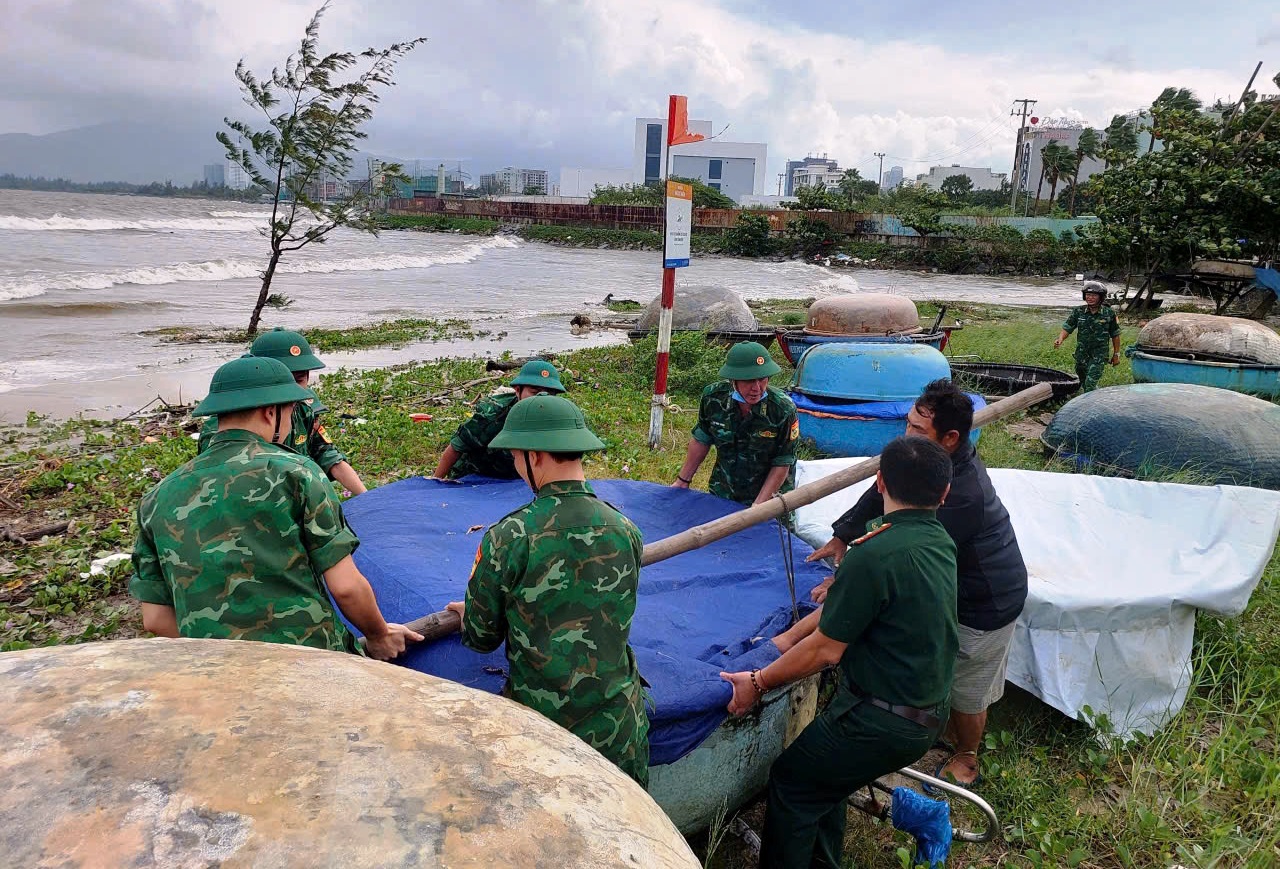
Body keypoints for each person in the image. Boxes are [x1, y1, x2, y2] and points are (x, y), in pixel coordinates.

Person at [720, 436, 958, 869]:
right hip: (930, 708)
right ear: (944, 493)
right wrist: (790, 637)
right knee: (824, 781)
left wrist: (757, 681)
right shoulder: (940, 541)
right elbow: (841, 612)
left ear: (880, 482)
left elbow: (826, 651)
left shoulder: (875, 554)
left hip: (881, 720)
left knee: (793, 781)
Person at [792, 379, 1028, 789]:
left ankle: (967, 755)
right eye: (908, 424)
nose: (907, 436)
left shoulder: (962, 495)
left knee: (966, 686)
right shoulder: (919, 465)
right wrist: (843, 536)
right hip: (949, 583)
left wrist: (854, 578)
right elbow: (883, 488)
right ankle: (925, 726)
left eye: (918, 431)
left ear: (951, 439)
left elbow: (907, 553)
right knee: (930, 661)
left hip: (986, 599)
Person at [130, 355, 420, 661]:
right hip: (312, 660)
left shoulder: (156, 497)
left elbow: (155, 619)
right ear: (271, 412)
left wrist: (230, 650)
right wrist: (378, 635)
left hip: (216, 668)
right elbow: (346, 587)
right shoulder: (297, 473)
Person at [445, 395, 650, 785]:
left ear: (533, 456)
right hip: (619, 729)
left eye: (515, 457)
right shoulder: (625, 529)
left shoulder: (510, 536)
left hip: (545, 731)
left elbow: (481, 638)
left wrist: (470, 611)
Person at [198, 327, 367, 495]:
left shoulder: (304, 411)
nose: (291, 392)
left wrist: (366, 497)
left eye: (299, 380)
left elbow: (327, 455)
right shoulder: (224, 426)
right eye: (285, 381)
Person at [672, 341, 798, 505]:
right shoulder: (714, 398)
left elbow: (782, 462)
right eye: (749, 381)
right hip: (724, 493)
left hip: (771, 502)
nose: (757, 388)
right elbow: (701, 439)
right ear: (734, 380)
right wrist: (683, 480)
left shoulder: (782, 409)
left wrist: (758, 508)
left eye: (762, 380)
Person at [432, 360, 566, 480]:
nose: (541, 398)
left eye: (549, 394)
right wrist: (436, 483)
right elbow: (456, 447)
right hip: (476, 477)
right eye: (534, 392)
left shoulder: (557, 417)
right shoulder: (492, 414)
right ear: (518, 390)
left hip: (520, 479)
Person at [1055, 281, 1121, 392]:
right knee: (1083, 379)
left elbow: (1115, 335)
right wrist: (1060, 339)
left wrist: (1116, 354)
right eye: (1088, 295)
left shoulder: (1109, 313)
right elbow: (1068, 327)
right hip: (1082, 353)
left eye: (1094, 295)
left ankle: (1089, 404)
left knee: (1090, 383)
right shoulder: (1078, 311)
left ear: (1101, 297)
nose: (1090, 298)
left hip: (1099, 354)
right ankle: (1092, 396)